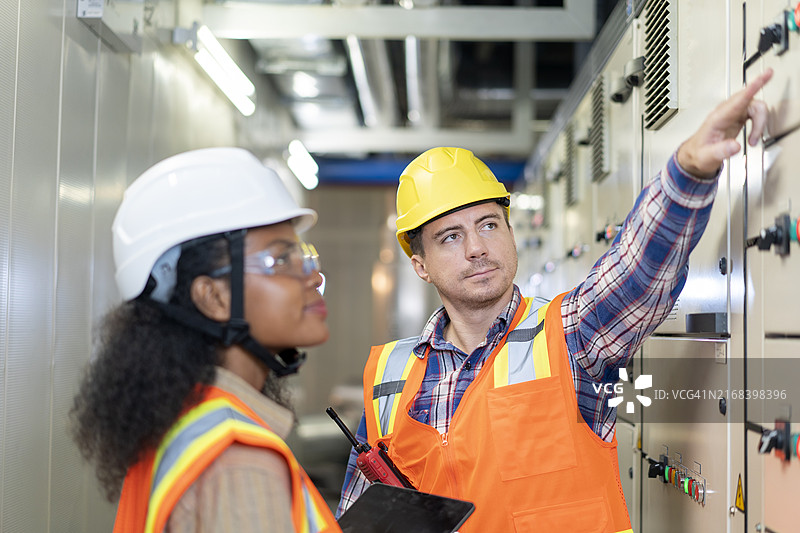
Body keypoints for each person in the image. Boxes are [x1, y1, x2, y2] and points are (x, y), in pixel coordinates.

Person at [337, 70, 774, 532]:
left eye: (488, 225)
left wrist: (689, 169)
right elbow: (361, 517)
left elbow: (636, 272)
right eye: (450, 237)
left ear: (509, 232)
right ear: (420, 264)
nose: (476, 248)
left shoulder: (567, 336)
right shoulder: (388, 377)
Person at [71, 148, 341, 533]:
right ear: (213, 297)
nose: (313, 277)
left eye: (303, 256)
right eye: (279, 260)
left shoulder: (183, 422)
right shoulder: (239, 462)